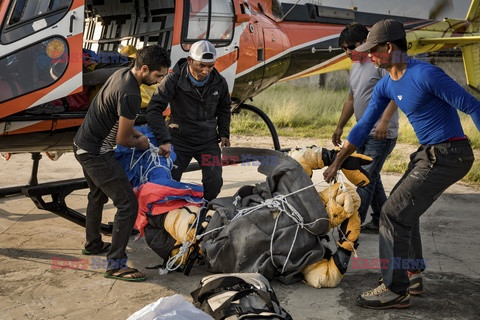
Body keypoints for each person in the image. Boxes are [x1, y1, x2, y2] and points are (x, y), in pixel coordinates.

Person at [323, 19, 479, 309]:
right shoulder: (386, 84)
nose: (368, 55)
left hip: (450, 153)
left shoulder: (426, 74)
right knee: (404, 208)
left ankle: (395, 289)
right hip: (429, 153)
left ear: (389, 47)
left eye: (373, 50)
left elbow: (472, 105)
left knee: (392, 214)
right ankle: (412, 274)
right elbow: (363, 127)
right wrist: (338, 162)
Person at [73, 45, 171, 281]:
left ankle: (93, 243)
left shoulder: (122, 74)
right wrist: (142, 143)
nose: (159, 81)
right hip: (96, 152)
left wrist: (138, 134)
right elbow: (122, 139)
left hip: (81, 144)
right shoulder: (132, 94)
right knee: (128, 204)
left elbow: (119, 122)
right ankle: (116, 265)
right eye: (158, 76)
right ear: (145, 69)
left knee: (97, 195)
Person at [333, 23, 399, 233]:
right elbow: (351, 99)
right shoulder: (354, 68)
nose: (347, 52)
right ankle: (382, 218)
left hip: (381, 134)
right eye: (343, 48)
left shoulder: (379, 64)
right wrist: (340, 127)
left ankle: (353, 226)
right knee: (371, 176)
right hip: (362, 133)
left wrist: (385, 120)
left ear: (365, 43)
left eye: (351, 46)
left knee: (365, 178)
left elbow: (396, 92)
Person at [146, 40, 231, 201]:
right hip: (179, 142)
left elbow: (225, 108)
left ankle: (203, 212)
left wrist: (224, 132)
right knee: (168, 182)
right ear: (190, 60)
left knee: (214, 182)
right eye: (201, 65)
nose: (206, 71)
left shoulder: (219, 82)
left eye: (210, 66)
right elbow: (153, 109)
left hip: (208, 142)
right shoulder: (173, 80)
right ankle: (167, 216)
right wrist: (164, 139)